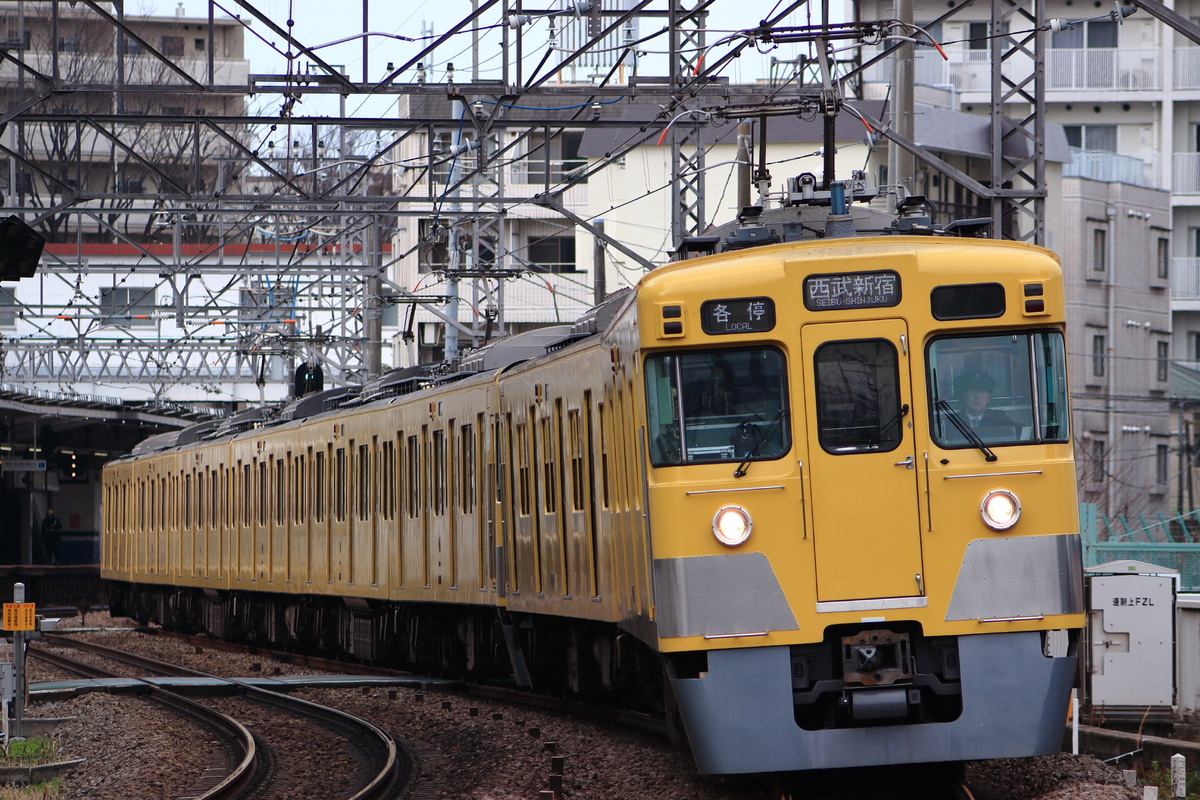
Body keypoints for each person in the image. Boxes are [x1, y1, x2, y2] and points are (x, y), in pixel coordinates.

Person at [952, 371, 1019, 438]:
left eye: (982, 391)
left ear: (988, 398)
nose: (977, 396)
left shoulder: (999, 419)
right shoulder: (953, 421)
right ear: (964, 396)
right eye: (972, 391)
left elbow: (1023, 432)